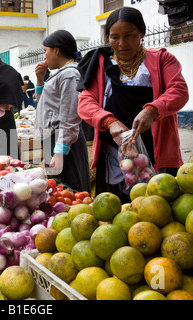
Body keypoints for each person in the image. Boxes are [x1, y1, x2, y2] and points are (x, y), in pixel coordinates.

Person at [77, 6, 189, 202]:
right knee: (115, 209)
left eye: (129, 35)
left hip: (156, 150)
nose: (121, 43)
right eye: (114, 37)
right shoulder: (101, 65)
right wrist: (109, 121)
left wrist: (152, 110)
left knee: (157, 208)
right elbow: (85, 102)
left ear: (142, 34)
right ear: (107, 37)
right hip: (114, 152)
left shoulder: (162, 60)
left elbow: (178, 91)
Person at [33, 30, 90, 192]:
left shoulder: (70, 75)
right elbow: (46, 104)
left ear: (56, 50)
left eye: (46, 51)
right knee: (57, 191)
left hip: (64, 142)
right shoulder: (60, 74)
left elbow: (70, 116)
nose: (44, 56)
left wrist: (60, 151)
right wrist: (39, 80)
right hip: (55, 140)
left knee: (71, 191)